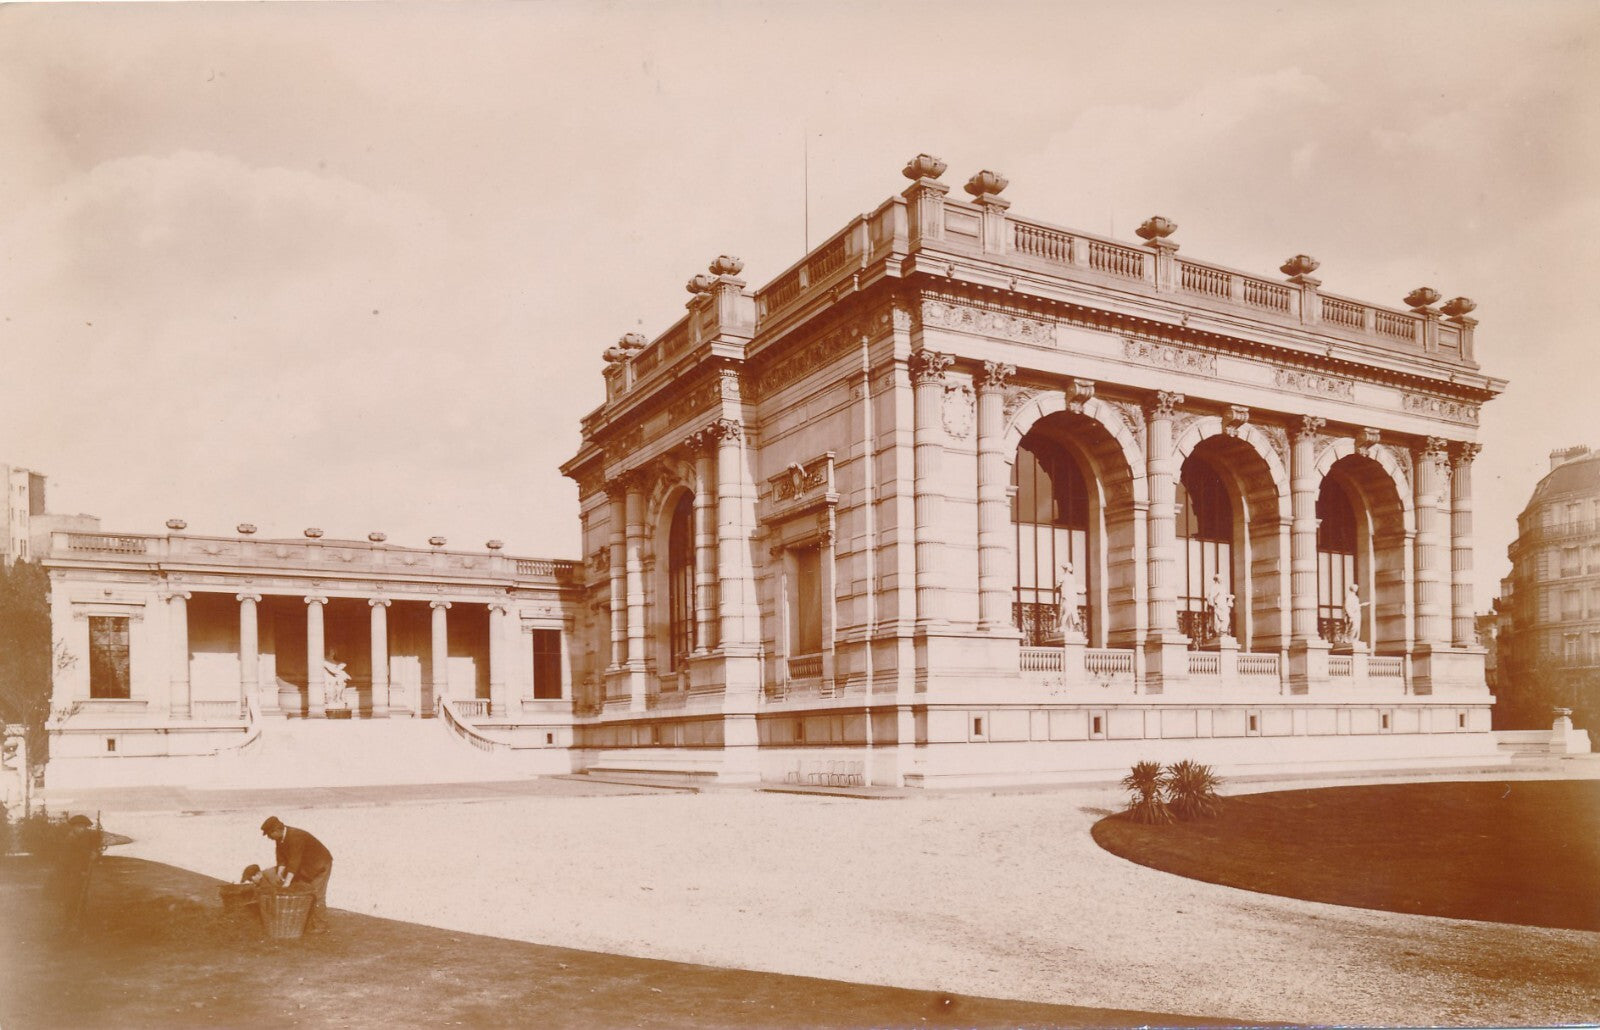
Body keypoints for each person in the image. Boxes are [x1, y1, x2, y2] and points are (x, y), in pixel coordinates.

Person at [259, 815, 333, 933]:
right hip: (305, 865)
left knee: (317, 894)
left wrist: (287, 882)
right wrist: (279, 874)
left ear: (277, 830)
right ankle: (307, 922)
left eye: (269, 834)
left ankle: (320, 925)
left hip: (320, 864)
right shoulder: (280, 839)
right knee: (305, 890)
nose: (268, 837)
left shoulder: (296, 836)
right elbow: (281, 858)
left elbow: (294, 861)